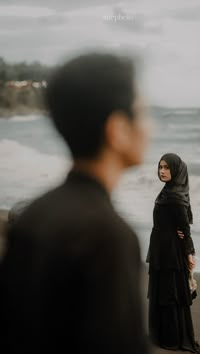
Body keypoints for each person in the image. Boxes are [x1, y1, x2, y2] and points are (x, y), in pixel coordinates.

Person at [0, 53, 150, 354]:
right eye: (142, 113)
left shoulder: (34, 213)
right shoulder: (109, 236)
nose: (149, 127)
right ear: (117, 129)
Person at [146, 153, 197, 352]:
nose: (162, 171)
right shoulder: (168, 191)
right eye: (160, 167)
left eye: (167, 167)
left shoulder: (174, 196)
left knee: (169, 294)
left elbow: (185, 228)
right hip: (163, 248)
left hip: (170, 253)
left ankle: (171, 338)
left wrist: (190, 253)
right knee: (163, 293)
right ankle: (162, 335)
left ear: (176, 170)